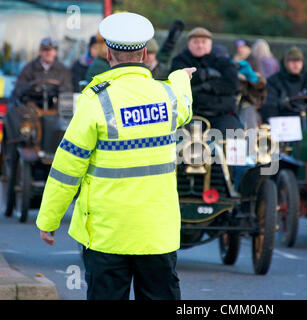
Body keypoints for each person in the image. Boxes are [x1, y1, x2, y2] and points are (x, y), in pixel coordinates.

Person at [36, 12, 196, 300]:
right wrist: (179, 78)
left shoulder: (94, 101)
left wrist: (49, 221)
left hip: (107, 237)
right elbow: (185, 103)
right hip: (157, 236)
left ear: (108, 54)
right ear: (145, 54)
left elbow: (67, 169)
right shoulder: (168, 96)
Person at [170, 27, 241, 135]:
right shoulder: (180, 61)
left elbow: (232, 84)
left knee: (234, 134)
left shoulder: (222, 60)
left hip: (222, 113)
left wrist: (208, 86)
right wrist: (205, 75)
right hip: (192, 113)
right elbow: (178, 82)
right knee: (185, 137)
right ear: (189, 44)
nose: (200, 45)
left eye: (204, 42)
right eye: (196, 42)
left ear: (210, 43)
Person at [261, 46, 307, 130]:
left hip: (305, 119)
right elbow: (270, 104)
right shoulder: (274, 81)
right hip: (284, 121)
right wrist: (282, 104)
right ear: (286, 62)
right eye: (292, 61)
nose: (296, 64)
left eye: (298, 61)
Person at [14, 37, 73, 106]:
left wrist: (57, 90)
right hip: (32, 111)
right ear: (40, 52)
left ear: (55, 52)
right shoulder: (29, 68)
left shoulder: (63, 71)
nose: (48, 53)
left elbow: (68, 92)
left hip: (55, 112)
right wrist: (33, 88)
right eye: (45, 49)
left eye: (52, 50)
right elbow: (19, 89)